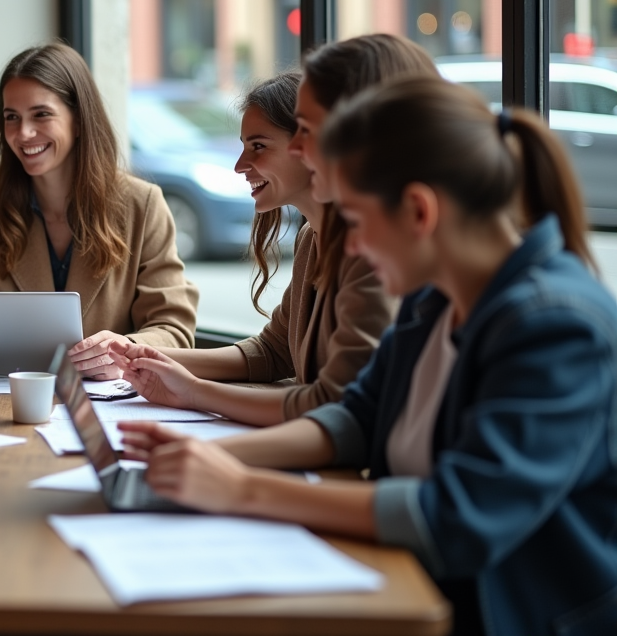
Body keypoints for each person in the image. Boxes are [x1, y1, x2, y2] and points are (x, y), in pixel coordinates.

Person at [119, 77, 617, 636]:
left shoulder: (556, 324)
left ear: (419, 212)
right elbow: (355, 416)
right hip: (410, 586)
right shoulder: (433, 300)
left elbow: (458, 517)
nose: (348, 246)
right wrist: (211, 458)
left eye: (354, 222)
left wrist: (240, 487)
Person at [111, 35, 437, 425]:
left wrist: (194, 393)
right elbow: (274, 350)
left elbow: (338, 404)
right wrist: (141, 356)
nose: (239, 166)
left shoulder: (371, 249)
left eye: (260, 146)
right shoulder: (311, 238)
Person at [0, 42, 198, 378]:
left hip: (104, 405)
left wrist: (123, 351)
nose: (23, 133)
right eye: (11, 117)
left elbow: (173, 328)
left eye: (41, 114)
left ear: (78, 119)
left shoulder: (143, 205)